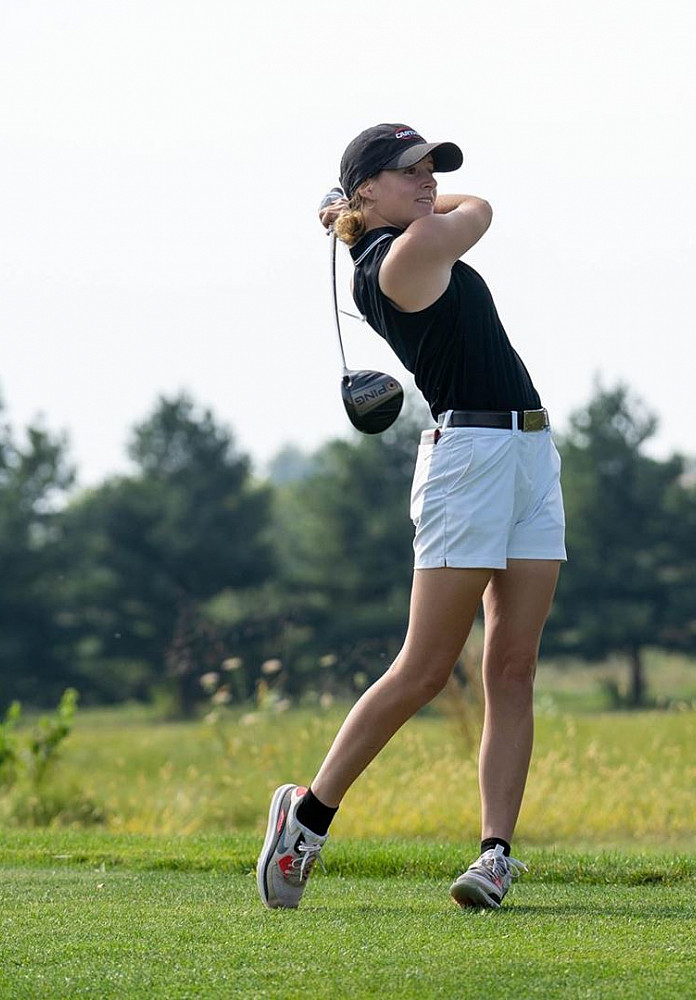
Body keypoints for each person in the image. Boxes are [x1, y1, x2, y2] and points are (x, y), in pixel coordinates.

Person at [257, 123, 566, 910]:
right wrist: (357, 217)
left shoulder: (396, 239)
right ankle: (309, 815)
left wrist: (349, 212)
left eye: (434, 168)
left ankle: (494, 854)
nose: (430, 181)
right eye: (410, 171)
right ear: (365, 189)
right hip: (469, 461)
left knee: (514, 667)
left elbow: (449, 206)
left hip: (529, 452)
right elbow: (483, 208)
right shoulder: (403, 258)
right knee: (426, 667)